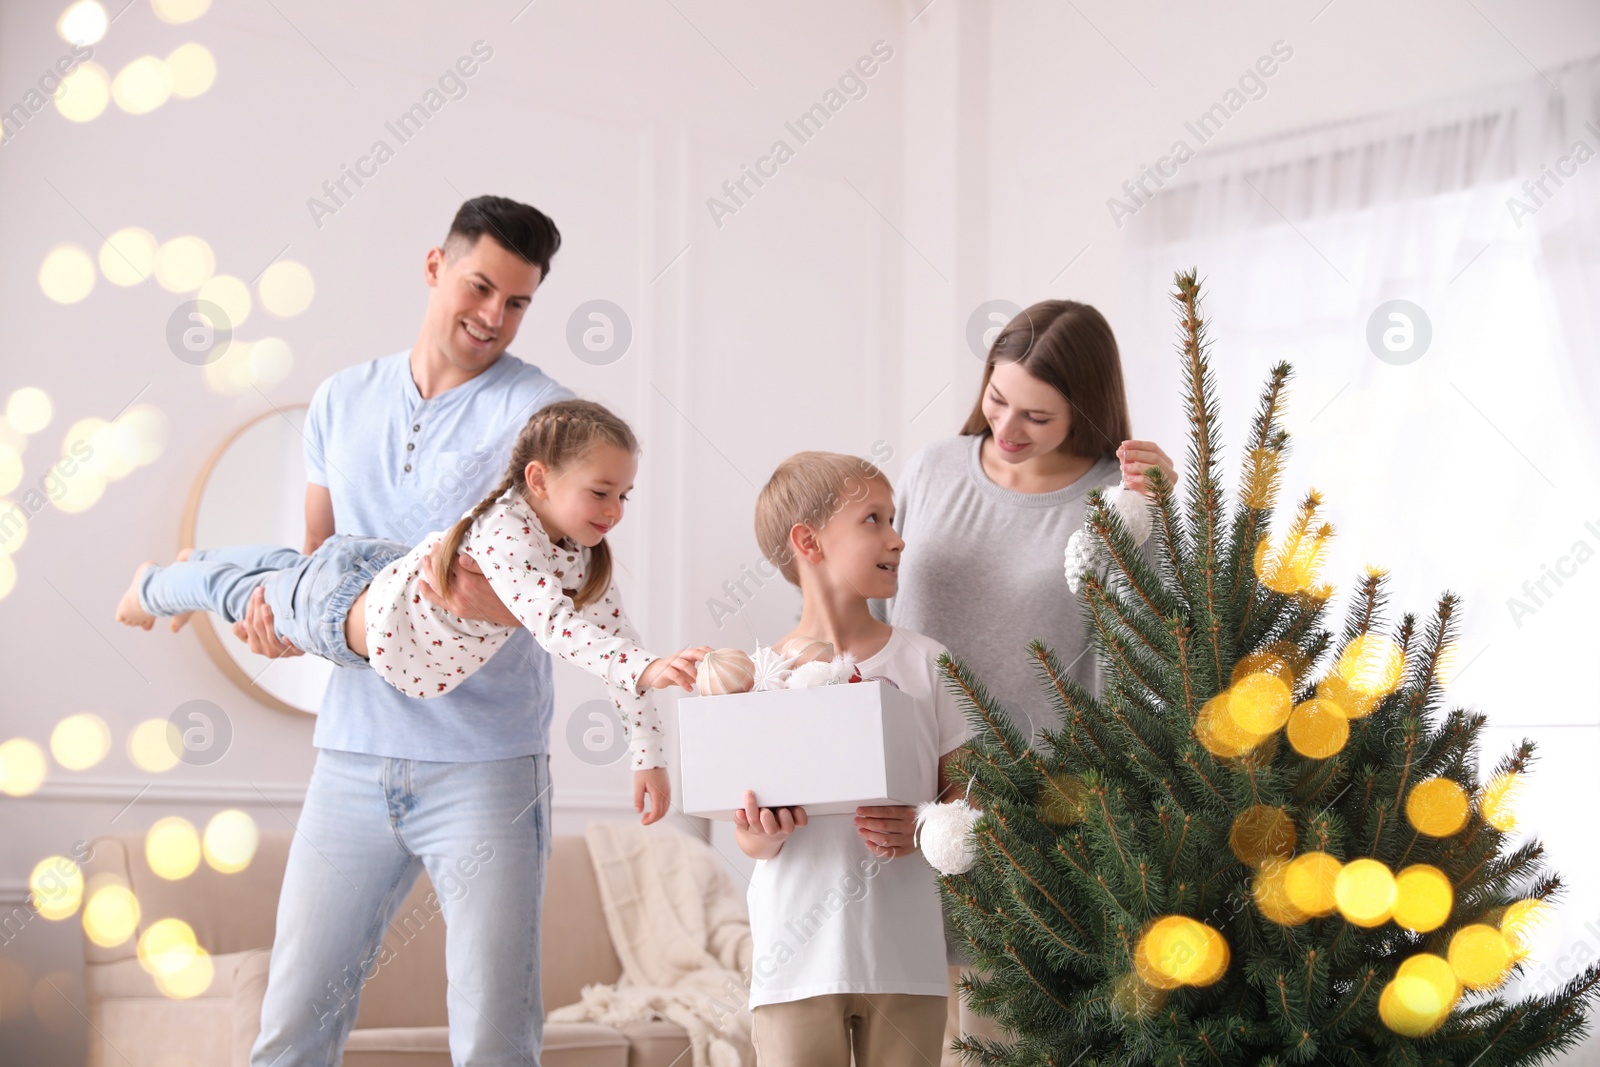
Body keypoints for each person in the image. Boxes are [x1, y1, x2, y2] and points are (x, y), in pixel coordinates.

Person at [212, 195, 643, 1066]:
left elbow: (562, 582)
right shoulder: (340, 400)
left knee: (494, 1036)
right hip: (351, 755)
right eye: (481, 286)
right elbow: (320, 563)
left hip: (485, 764)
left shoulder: (544, 419)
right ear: (435, 267)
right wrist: (282, 624)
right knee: (292, 1026)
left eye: (517, 302)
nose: (493, 316)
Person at [870, 299, 1177, 1062]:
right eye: (997, 398)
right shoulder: (934, 468)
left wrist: (1166, 511)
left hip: (1036, 820)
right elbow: (871, 609)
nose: (1006, 429)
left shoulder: (1116, 499)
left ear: (1088, 408)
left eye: (1036, 416)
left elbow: (1161, 634)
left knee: (1000, 1043)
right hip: (906, 804)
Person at [117, 397, 707, 783]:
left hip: (369, 576)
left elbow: (612, 639)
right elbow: (557, 627)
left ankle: (201, 561)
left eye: (624, 496)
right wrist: (648, 668)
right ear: (539, 480)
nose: (614, 511)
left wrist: (648, 757)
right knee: (240, 593)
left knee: (276, 571)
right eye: (601, 492)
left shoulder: (580, 558)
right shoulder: (508, 531)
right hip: (341, 610)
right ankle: (154, 586)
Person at [734, 450, 972, 1067]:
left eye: (893, 519)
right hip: (795, 964)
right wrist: (761, 835)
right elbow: (748, 836)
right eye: (873, 520)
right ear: (809, 541)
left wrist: (923, 829)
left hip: (906, 959)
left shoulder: (928, 663)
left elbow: (972, 805)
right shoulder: (759, 678)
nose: (897, 538)